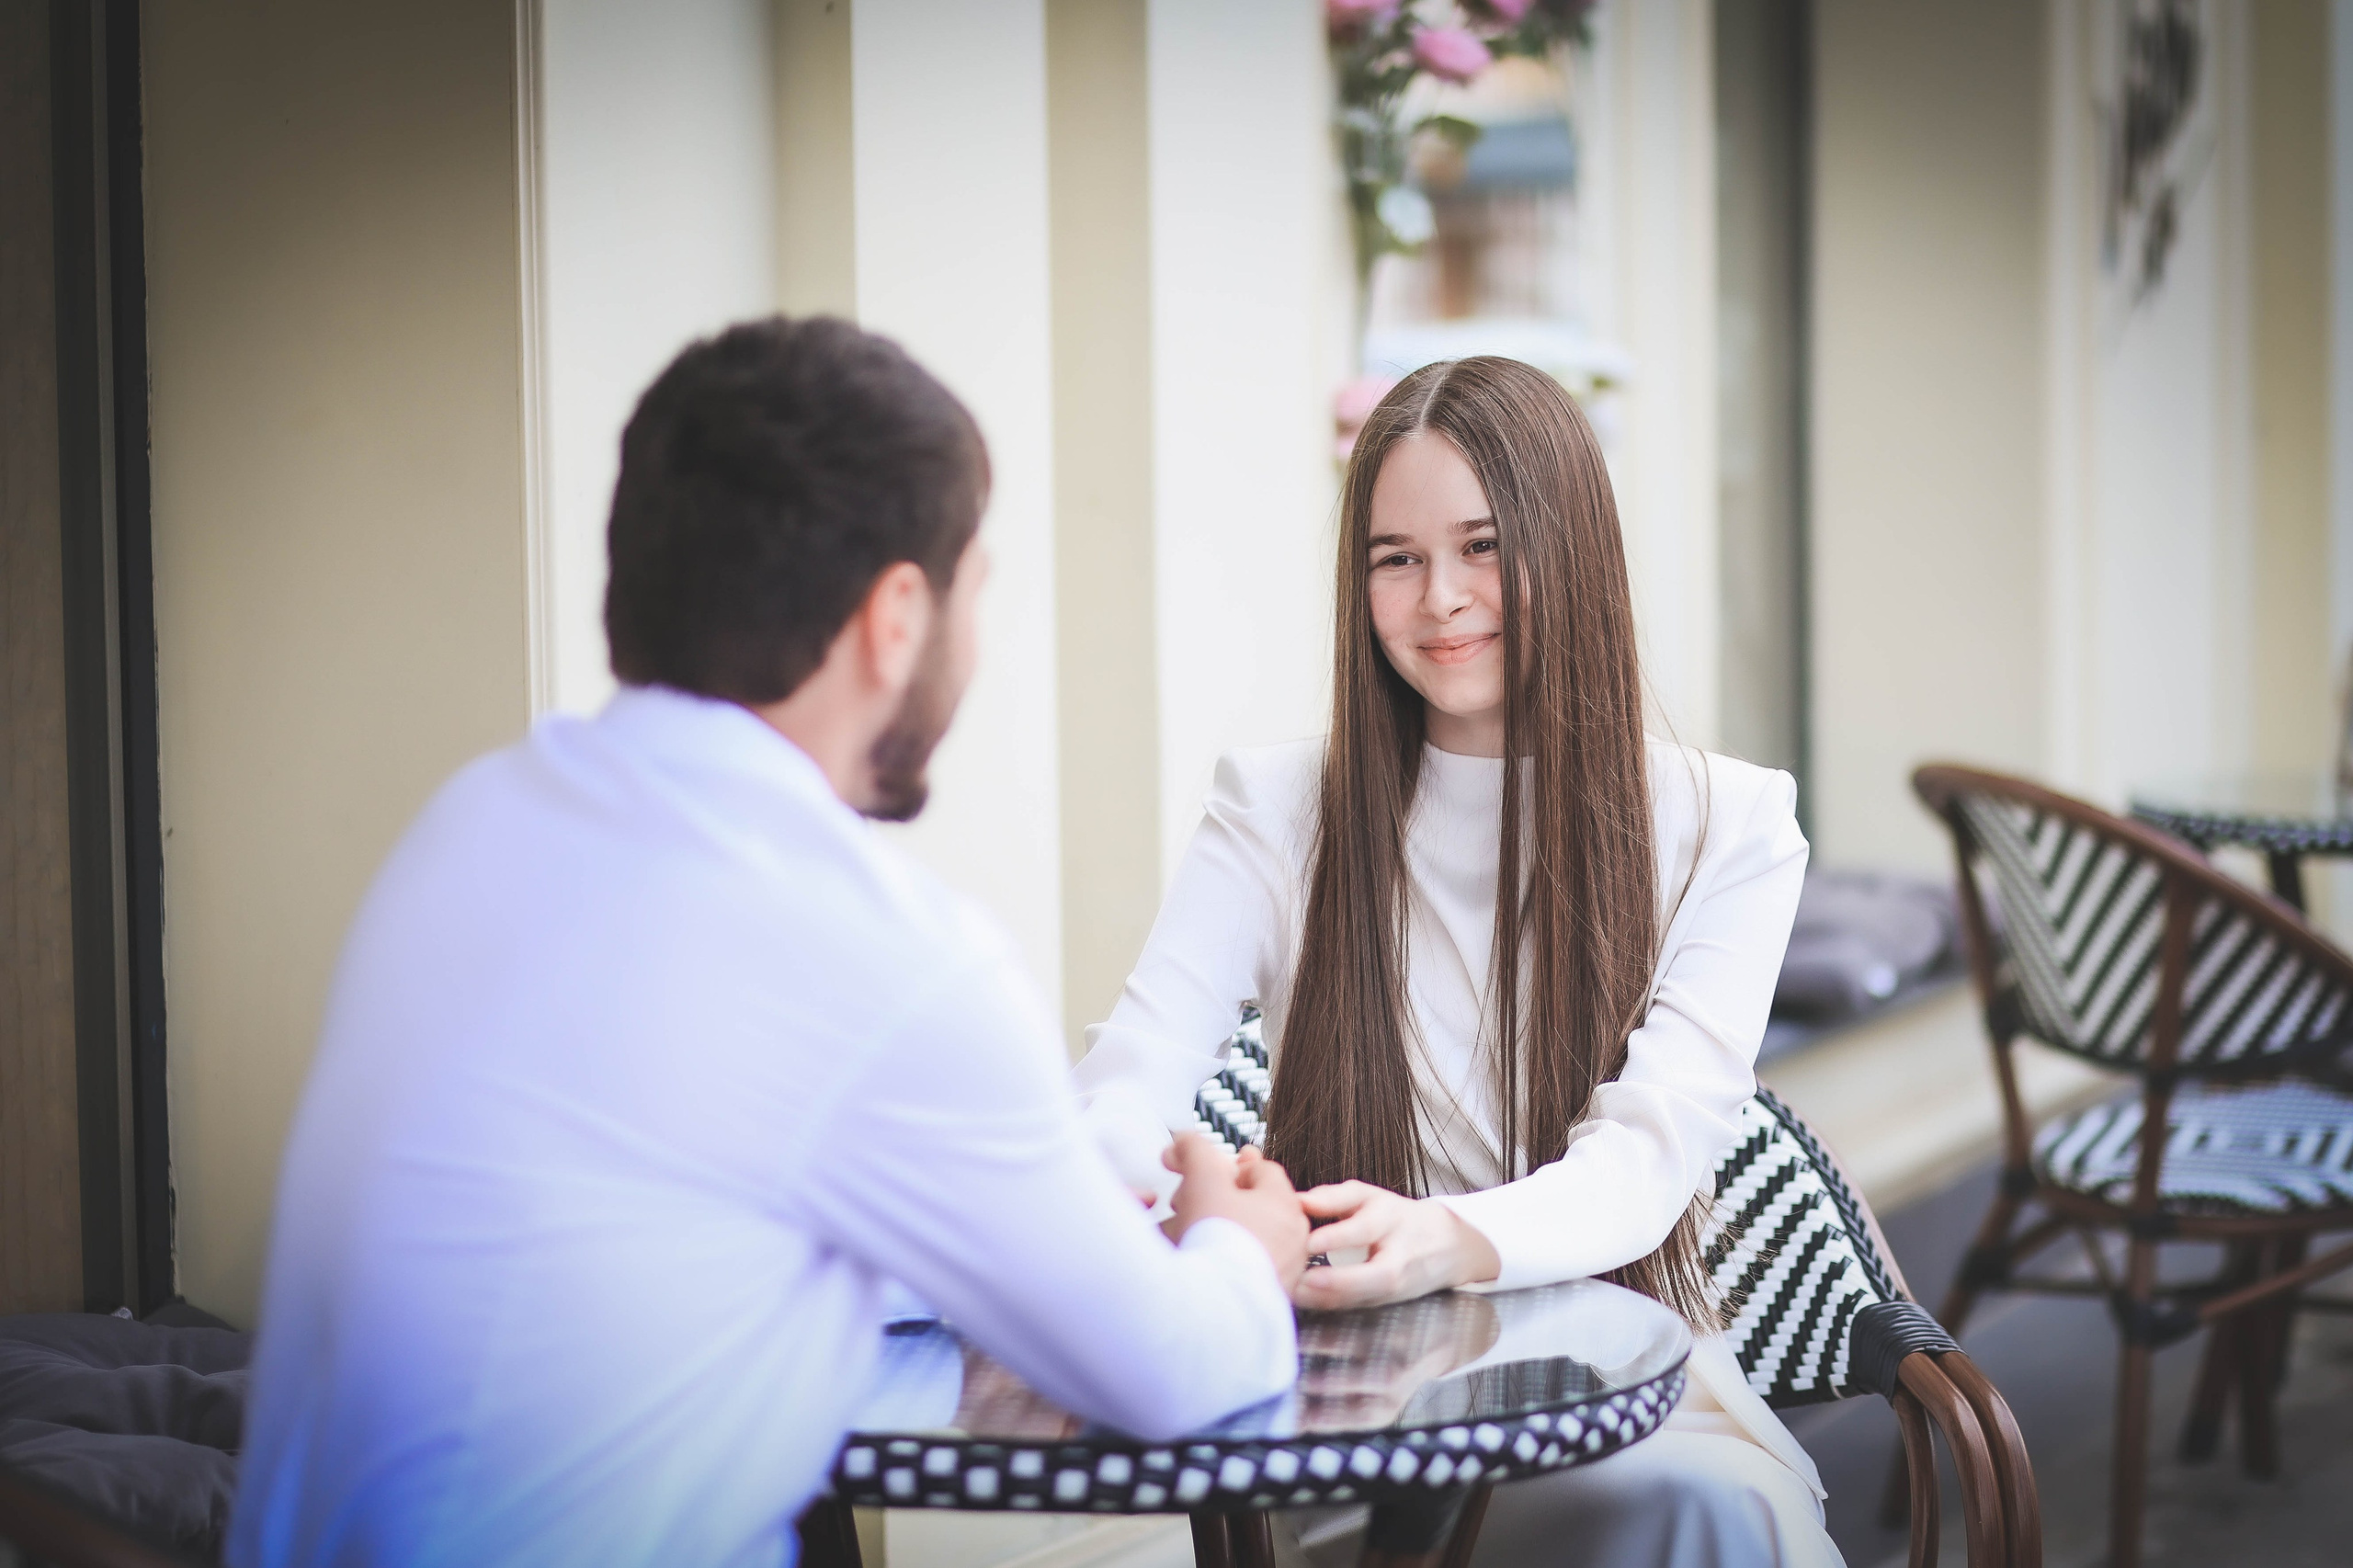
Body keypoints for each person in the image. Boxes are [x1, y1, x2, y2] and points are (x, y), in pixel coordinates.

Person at [229, 317, 1311, 1568]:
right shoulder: (881, 956)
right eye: (974, 587)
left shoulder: (473, 823)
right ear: (895, 615)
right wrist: (1247, 1246)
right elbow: (1174, 1375)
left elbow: (651, 1244)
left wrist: (1017, 1230)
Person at [1072, 357, 1838, 1565]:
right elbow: (1128, 1082)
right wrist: (1157, 1198)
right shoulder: (1276, 810)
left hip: (1630, 1400)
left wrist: (1444, 1237)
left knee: (1707, 1510)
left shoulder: (1729, 827)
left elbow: (1647, 1159)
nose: (1441, 600)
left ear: (1571, 550)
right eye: (1397, 558)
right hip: (1368, 1424)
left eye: (1484, 546)